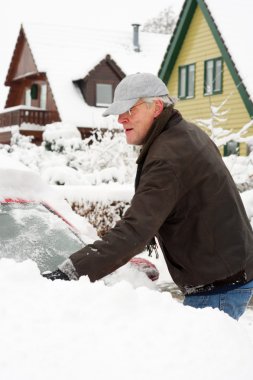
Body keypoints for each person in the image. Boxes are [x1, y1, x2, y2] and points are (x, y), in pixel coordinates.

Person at [43, 73, 253, 320]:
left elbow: (134, 232)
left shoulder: (168, 156)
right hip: (228, 273)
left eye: (130, 110)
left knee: (196, 358)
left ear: (157, 107)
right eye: (119, 112)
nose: (121, 119)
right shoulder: (185, 134)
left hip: (218, 285)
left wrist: (69, 272)